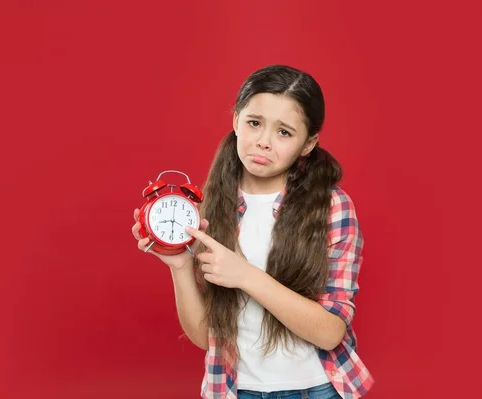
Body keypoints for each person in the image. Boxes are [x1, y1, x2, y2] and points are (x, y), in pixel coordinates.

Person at [132, 65, 374, 399]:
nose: (263, 142)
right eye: (254, 123)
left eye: (284, 132)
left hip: (316, 390)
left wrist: (245, 275)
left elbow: (331, 333)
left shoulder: (332, 208)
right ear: (235, 121)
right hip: (234, 390)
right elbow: (205, 337)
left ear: (308, 143)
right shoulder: (210, 208)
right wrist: (179, 265)